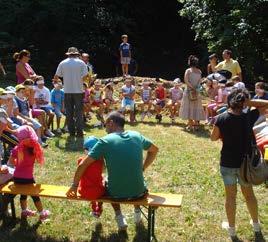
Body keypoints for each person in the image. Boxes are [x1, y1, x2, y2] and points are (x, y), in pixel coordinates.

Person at [66, 111, 159, 230]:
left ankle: (119, 218)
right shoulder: (136, 135)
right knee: (135, 179)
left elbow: (83, 164)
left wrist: (74, 186)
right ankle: (137, 213)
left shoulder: (105, 141)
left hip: (116, 195)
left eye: (105, 125)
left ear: (111, 123)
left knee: (108, 181)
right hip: (139, 193)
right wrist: (143, 168)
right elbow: (154, 150)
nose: (105, 129)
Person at [211, 88, 267, 242]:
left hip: (228, 163)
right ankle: (256, 226)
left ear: (230, 100)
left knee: (230, 197)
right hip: (245, 164)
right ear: (243, 102)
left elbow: (213, 138)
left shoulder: (221, 118)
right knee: (249, 195)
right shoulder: (249, 116)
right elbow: (266, 104)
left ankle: (232, 230)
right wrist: (247, 102)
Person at [7, 125, 50, 222]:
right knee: (35, 196)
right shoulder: (34, 149)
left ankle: (24, 210)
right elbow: (39, 158)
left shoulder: (17, 148)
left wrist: (17, 164)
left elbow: (10, 161)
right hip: (28, 178)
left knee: (23, 194)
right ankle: (42, 213)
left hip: (17, 177)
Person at [54, 47, 88, 137]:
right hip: (78, 91)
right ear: (76, 54)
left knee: (69, 112)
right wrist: (80, 81)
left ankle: (71, 132)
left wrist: (55, 83)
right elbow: (85, 76)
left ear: (68, 54)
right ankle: (80, 132)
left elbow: (56, 76)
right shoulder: (81, 63)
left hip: (67, 91)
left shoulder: (63, 63)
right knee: (79, 112)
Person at [77, 136, 105, 218]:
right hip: (98, 192)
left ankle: (93, 208)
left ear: (85, 149)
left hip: (83, 191)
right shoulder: (100, 161)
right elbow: (103, 171)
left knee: (89, 186)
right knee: (103, 186)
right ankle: (99, 208)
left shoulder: (80, 160)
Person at [179, 55, 206, 130]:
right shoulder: (199, 71)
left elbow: (186, 80)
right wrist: (196, 88)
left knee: (189, 107)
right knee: (196, 107)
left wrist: (192, 87)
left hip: (189, 91)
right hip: (196, 91)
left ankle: (190, 125)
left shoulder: (188, 70)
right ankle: (196, 124)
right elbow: (199, 82)